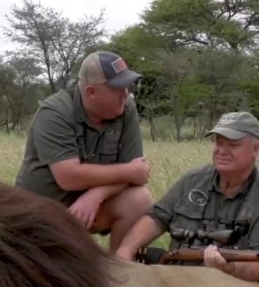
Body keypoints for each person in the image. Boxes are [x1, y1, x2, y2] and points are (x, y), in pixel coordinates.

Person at [114, 111, 259, 287]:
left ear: (256, 149)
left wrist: (228, 267)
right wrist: (126, 250)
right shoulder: (193, 180)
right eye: (219, 143)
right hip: (179, 277)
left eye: (233, 145)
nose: (222, 150)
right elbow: (156, 218)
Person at [14, 50, 154, 253]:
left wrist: (97, 194)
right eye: (117, 88)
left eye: (127, 86)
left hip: (88, 208)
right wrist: (130, 172)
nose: (125, 94)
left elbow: (137, 173)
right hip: (40, 212)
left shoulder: (126, 108)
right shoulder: (55, 112)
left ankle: (120, 271)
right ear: (91, 92)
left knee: (140, 200)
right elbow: (68, 176)